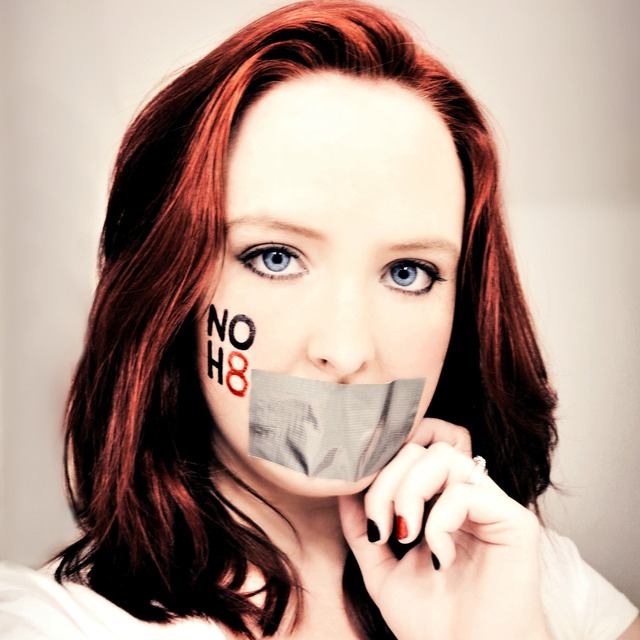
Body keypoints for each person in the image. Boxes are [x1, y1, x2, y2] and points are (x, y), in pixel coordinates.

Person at [1, 1, 638, 638]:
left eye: (408, 272)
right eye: (274, 258)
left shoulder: (521, 570)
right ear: (172, 290)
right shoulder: (51, 623)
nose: (346, 349)